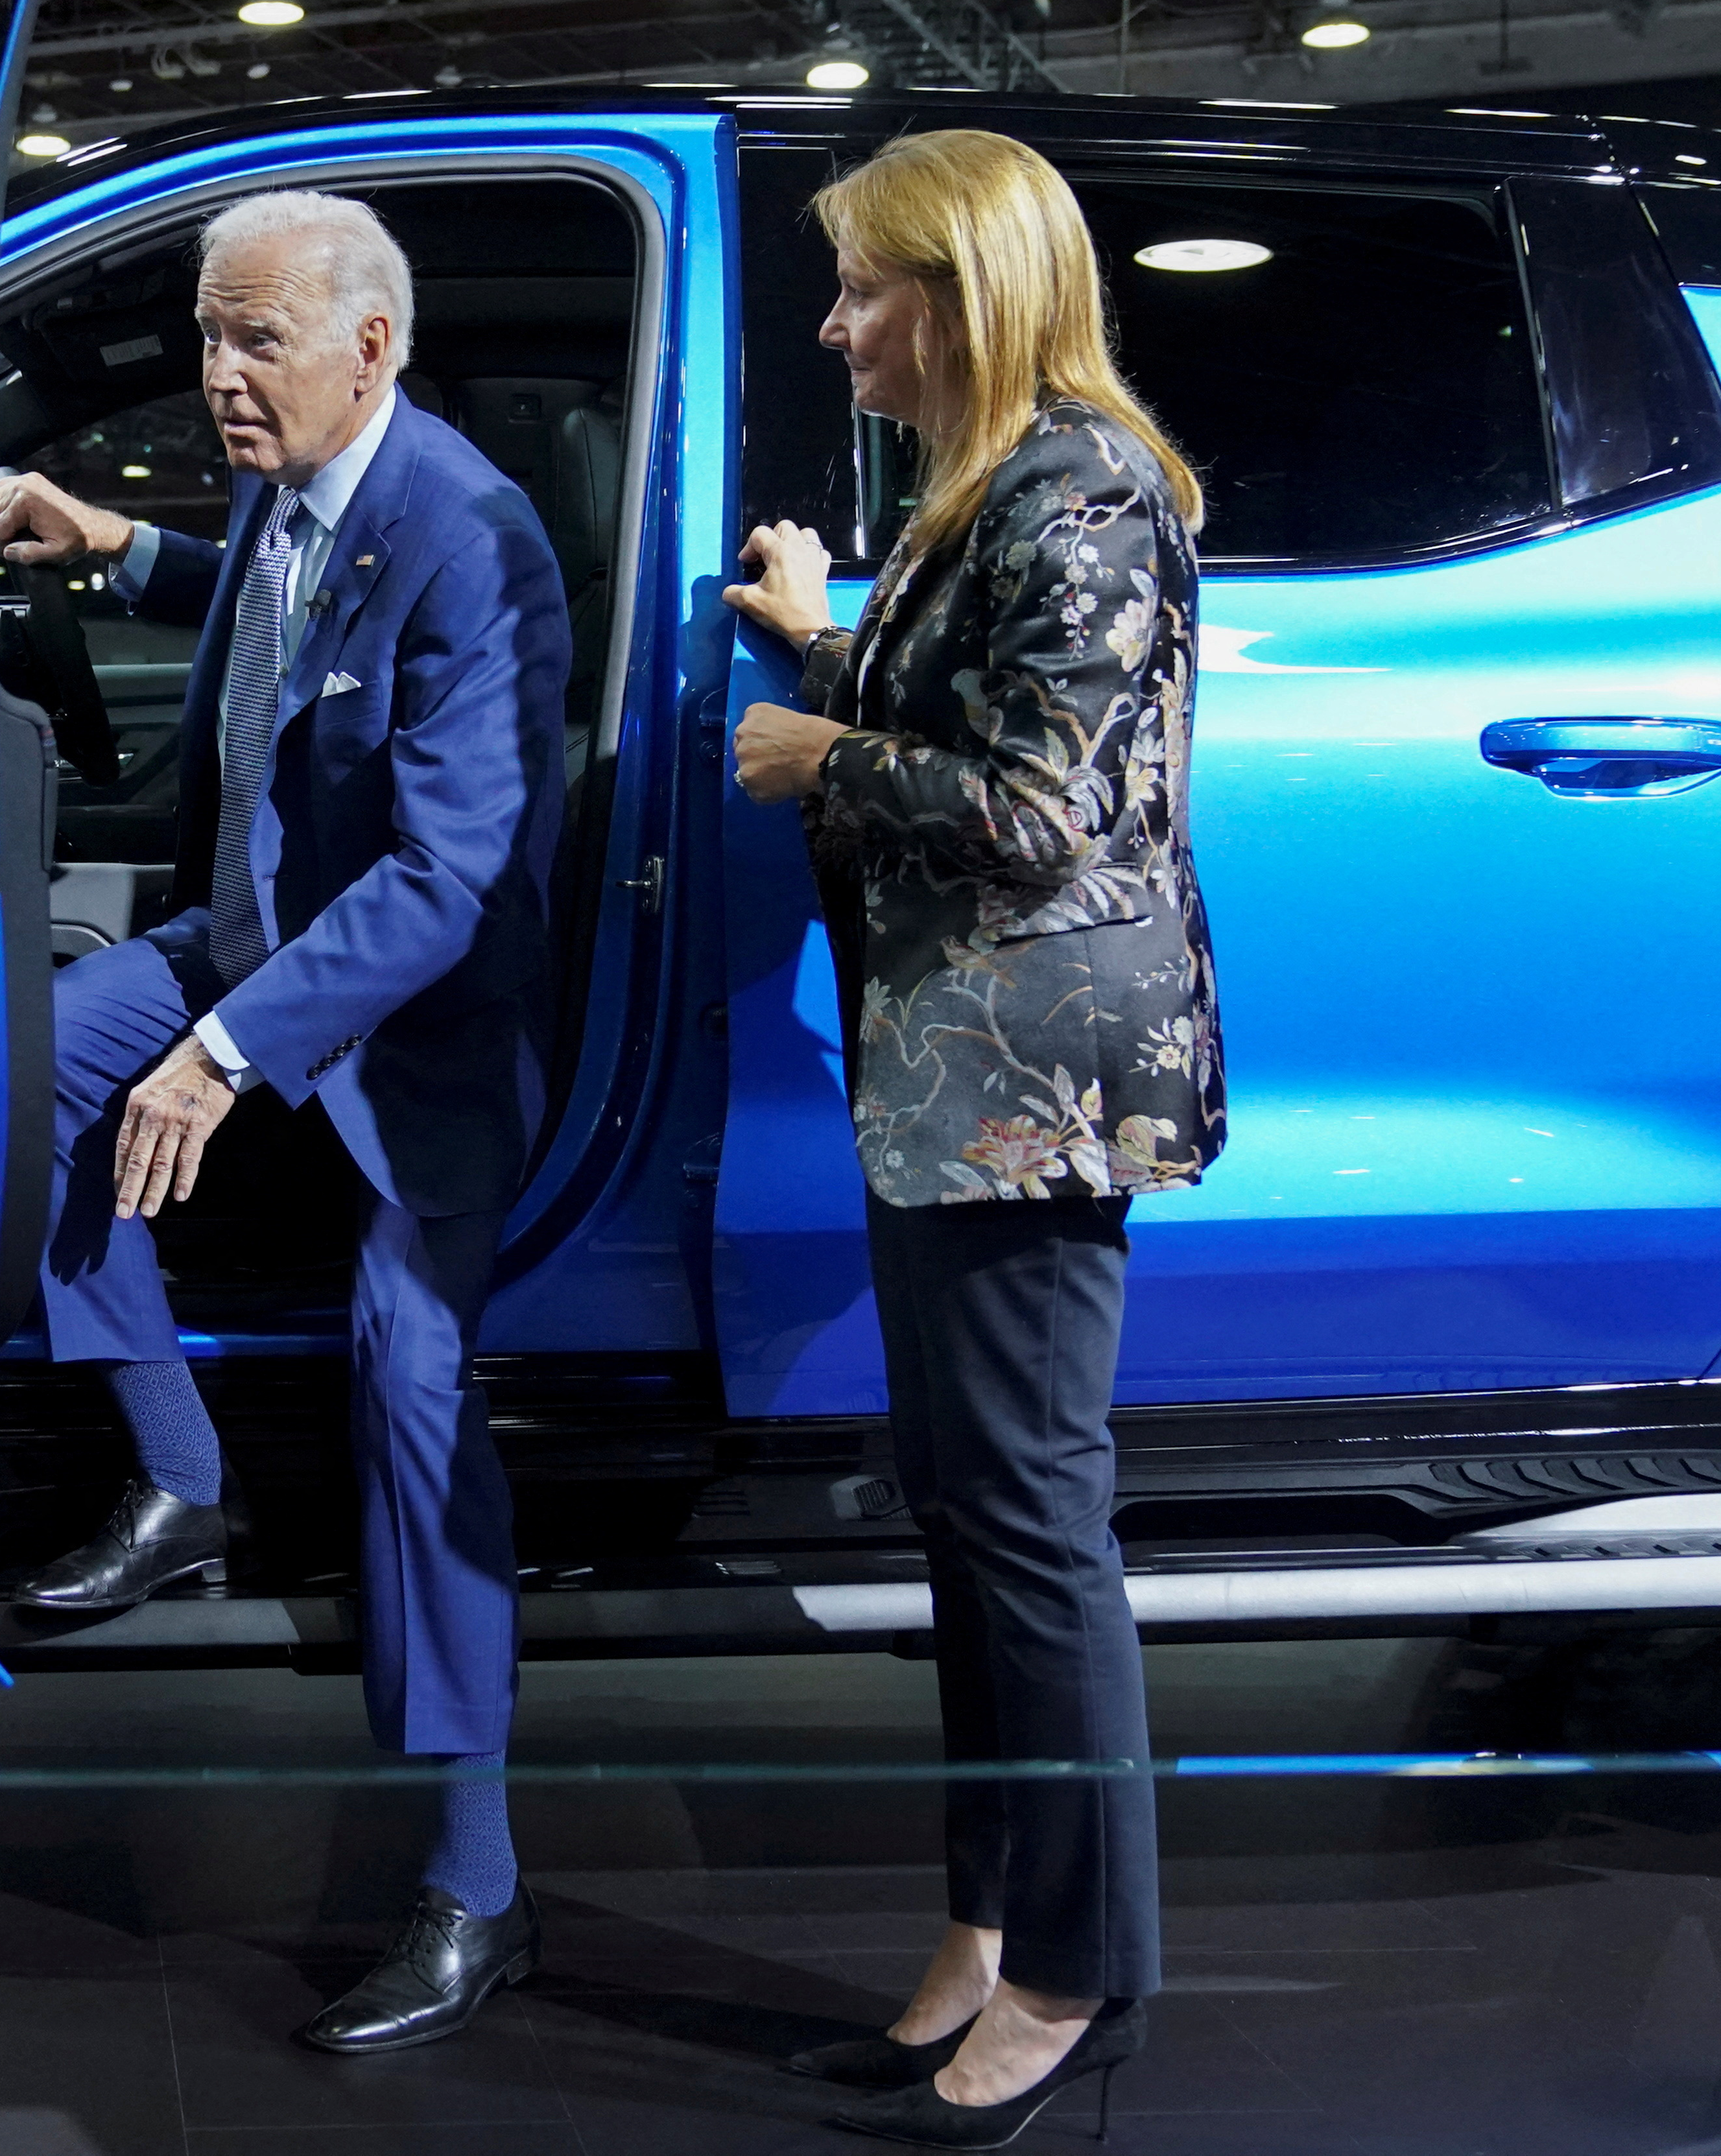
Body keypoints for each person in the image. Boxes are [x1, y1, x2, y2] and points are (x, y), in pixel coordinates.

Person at [0, 189, 573, 2054]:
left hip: (421, 1033)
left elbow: (451, 876)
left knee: (410, 1386)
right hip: (244, 937)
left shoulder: (470, 534)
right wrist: (112, 542)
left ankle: (475, 1884)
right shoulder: (296, 478)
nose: (217, 374)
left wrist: (223, 1052)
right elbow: (270, 598)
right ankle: (182, 1475)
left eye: (256, 340)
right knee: (28, 1071)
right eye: (207, 335)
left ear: (370, 348)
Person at [720, 128, 1223, 2149]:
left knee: (1027, 1524)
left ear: (962, 291)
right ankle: (991, 1928)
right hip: (956, 1078)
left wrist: (818, 747)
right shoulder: (990, 489)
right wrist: (822, 640)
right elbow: (986, 713)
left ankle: (1080, 1970)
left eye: (862, 289)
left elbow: (1037, 808)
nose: (834, 326)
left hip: (1033, 1082)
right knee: (972, 1513)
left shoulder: (1080, 486)